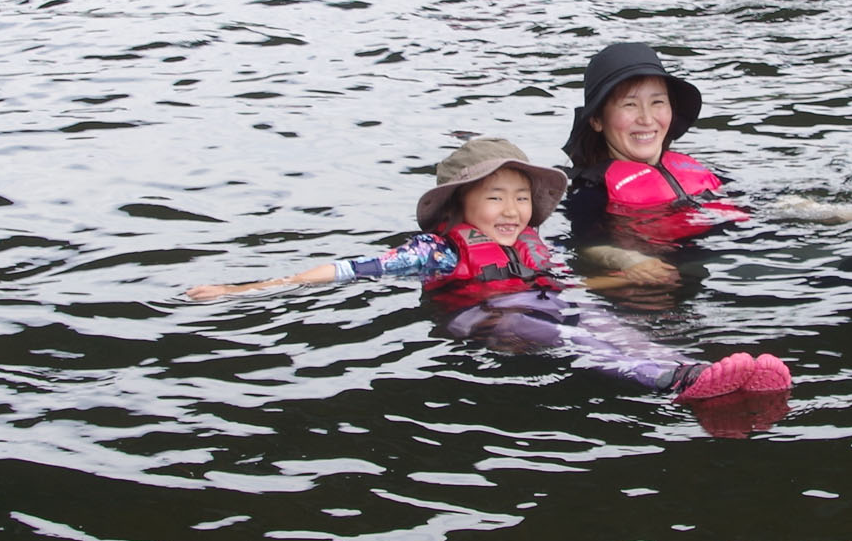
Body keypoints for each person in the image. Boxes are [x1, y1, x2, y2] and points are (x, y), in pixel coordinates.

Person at [185, 138, 792, 415]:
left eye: (520, 198)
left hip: (540, 301)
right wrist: (248, 290)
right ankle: (675, 385)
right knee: (559, 331)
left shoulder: (531, 245)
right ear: (459, 209)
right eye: (494, 198)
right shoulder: (439, 252)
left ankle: (695, 374)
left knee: (601, 321)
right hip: (487, 319)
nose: (511, 211)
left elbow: (561, 289)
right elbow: (348, 269)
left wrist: (618, 283)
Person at [562, 43, 852, 259]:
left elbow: (762, 202)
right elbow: (585, 246)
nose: (647, 119)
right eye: (629, 105)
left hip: (746, 245)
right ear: (597, 121)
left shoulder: (692, 170)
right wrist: (629, 261)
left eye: (658, 103)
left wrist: (851, 214)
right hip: (675, 267)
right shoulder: (591, 192)